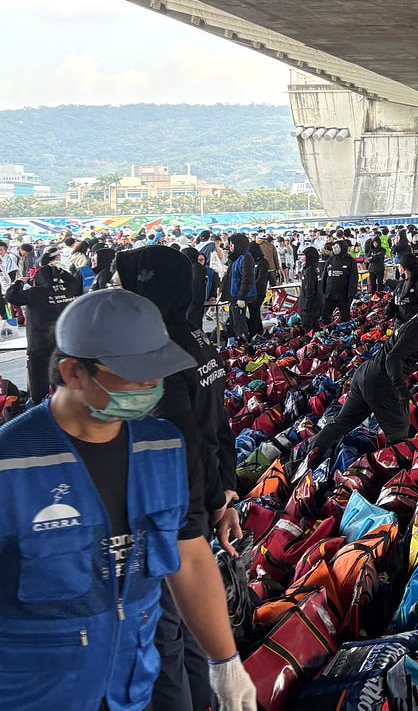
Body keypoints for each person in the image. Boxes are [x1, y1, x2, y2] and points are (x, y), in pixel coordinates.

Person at [0, 289, 255, 711]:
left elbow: (189, 557)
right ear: (73, 372)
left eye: (157, 372)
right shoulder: (12, 465)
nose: (150, 386)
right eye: (135, 373)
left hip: (133, 688)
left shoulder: (162, 447)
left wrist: (225, 662)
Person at [116, 244, 243, 711]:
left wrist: (211, 502)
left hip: (170, 512)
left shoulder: (157, 354)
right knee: (187, 630)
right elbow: (219, 426)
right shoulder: (197, 341)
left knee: (162, 637)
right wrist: (224, 494)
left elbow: (181, 443)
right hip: (197, 503)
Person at [307, 287, 418, 460]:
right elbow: (393, 359)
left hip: (366, 374)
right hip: (381, 382)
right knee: (399, 429)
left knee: (343, 422)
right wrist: (401, 390)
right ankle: (392, 474)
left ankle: (309, 453)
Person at [5, 247, 83, 405]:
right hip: (61, 342)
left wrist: (20, 281)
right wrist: (61, 273)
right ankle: (63, 403)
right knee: (60, 376)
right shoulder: (66, 289)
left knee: (39, 381)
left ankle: (39, 406)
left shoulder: (36, 293)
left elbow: (11, 295)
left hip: (39, 344)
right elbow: (75, 283)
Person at [222, 233, 258, 341]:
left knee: (239, 324)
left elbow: (247, 279)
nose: (230, 247)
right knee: (234, 322)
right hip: (233, 295)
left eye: (232, 244)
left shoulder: (246, 258)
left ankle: (244, 346)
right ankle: (236, 346)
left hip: (240, 296)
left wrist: (241, 296)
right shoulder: (236, 258)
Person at [321, 239, 359, 325]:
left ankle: (346, 333)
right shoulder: (330, 260)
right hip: (329, 294)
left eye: (337, 247)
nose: (335, 249)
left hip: (343, 295)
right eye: (334, 247)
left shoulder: (350, 261)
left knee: (345, 317)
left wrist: (351, 294)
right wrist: (322, 292)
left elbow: (353, 278)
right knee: (325, 316)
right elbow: (324, 277)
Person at [179, 246, 216, 333]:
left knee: (193, 325)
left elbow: (195, 286)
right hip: (196, 302)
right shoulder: (195, 267)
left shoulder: (195, 268)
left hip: (193, 302)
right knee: (196, 325)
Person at [391, 252, 418, 324]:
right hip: (401, 326)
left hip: (416, 327)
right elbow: (394, 302)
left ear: (404, 267)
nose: (398, 268)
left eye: (399, 265)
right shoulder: (401, 283)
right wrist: (388, 313)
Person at [296, 245, 323, 332]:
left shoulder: (310, 270)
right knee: (314, 327)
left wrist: (306, 306)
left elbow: (310, 289)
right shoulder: (313, 268)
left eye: (304, 255)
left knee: (308, 328)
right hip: (314, 305)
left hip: (310, 308)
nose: (302, 257)